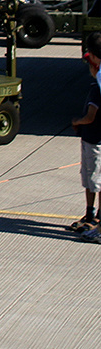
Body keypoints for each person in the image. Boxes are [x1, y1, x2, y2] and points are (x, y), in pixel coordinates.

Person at [67, 35, 101, 237]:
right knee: (90, 179)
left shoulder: (98, 85)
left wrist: (76, 121)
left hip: (97, 139)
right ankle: (91, 214)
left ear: (96, 59)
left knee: (97, 180)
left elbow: (90, 116)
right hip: (91, 138)